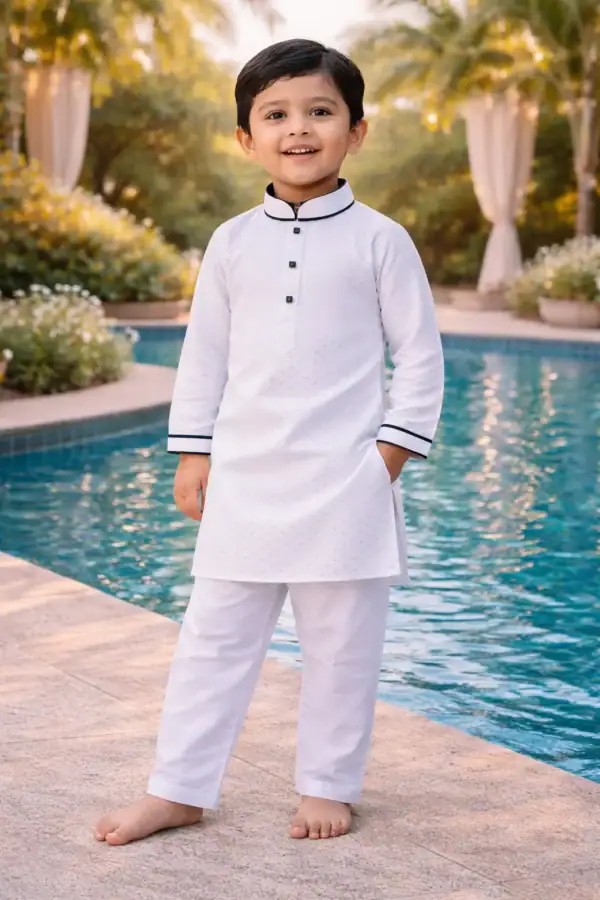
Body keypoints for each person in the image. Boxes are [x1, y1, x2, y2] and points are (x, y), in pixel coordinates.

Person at [95, 38, 444, 846]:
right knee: (212, 641)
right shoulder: (230, 242)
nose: (299, 129)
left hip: (347, 484)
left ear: (357, 130)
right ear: (246, 138)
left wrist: (385, 462)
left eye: (320, 111)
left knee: (341, 647)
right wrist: (194, 453)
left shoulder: (381, 240)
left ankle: (328, 786)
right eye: (276, 115)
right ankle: (178, 789)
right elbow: (204, 356)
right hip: (246, 482)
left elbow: (422, 358)